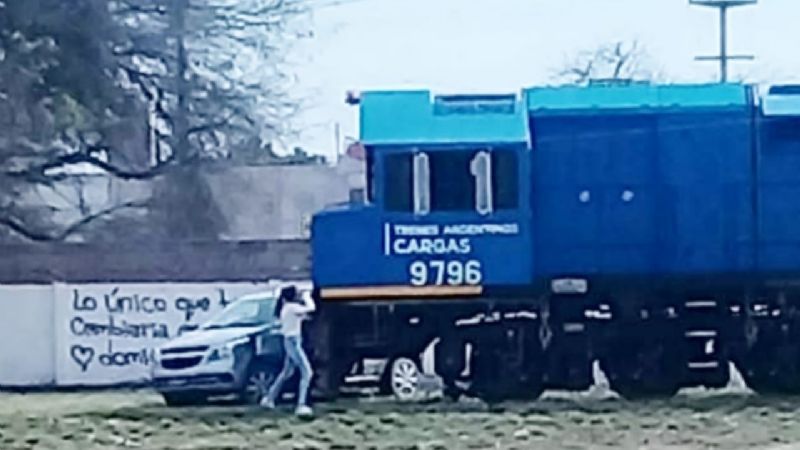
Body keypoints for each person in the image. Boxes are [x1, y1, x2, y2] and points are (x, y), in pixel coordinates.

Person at [261, 284, 316, 418]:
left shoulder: (286, 308)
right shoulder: (291, 308)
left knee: (287, 372)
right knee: (307, 372)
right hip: (293, 342)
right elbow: (311, 308)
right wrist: (307, 296)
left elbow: (301, 318)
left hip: (290, 341)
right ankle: (301, 405)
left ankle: (269, 398)